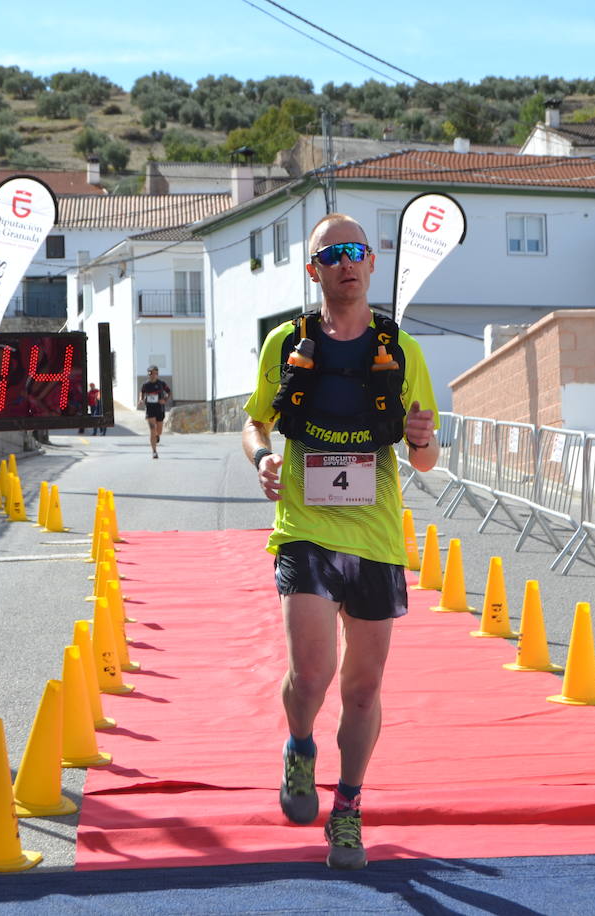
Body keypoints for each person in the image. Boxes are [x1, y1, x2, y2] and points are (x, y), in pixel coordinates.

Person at [242, 213, 439, 870]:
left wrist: (418, 439)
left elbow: (429, 456)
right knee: (313, 675)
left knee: (362, 688)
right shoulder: (285, 344)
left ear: (372, 263)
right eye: (332, 254)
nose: (346, 262)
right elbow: (255, 426)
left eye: (356, 251)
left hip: (378, 538)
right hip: (304, 531)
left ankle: (348, 807)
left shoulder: (401, 349)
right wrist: (262, 459)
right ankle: (300, 748)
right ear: (315, 269)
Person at [138, 366, 172, 458]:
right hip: (150, 409)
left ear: (157, 374)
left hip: (159, 409)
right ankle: (154, 451)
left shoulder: (161, 383)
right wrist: (141, 399)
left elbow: (169, 392)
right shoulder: (146, 385)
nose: (152, 376)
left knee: (159, 431)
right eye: (150, 373)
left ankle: (157, 435)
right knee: (152, 430)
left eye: (153, 373)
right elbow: (142, 392)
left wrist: (165, 400)